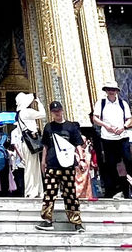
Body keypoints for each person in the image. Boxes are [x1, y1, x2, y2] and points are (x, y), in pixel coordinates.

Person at [36, 100, 86, 233]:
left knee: (70, 193)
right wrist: (43, 161)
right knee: (49, 193)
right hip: (52, 164)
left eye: (58, 111)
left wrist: (81, 159)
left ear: (62, 110)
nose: (57, 113)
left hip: (67, 165)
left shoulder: (70, 127)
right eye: (54, 112)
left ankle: (76, 221)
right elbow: (46, 146)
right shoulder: (48, 127)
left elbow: (78, 144)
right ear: (51, 113)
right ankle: (47, 220)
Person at [92, 80, 132, 199]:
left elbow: (129, 119)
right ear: (106, 91)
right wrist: (106, 126)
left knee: (128, 162)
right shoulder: (101, 103)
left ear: (117, 91)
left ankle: (130, 188)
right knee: (110, 165)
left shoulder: (122, 103)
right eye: (109, 89)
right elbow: (95, 118)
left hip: (122, 136)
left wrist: (123, 127)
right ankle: (115, 189)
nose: (111, 91)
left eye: (113, 89)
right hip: (108, 137)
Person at [14, 91, 45, 198]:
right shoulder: (26, 112)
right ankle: (31, 190)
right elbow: (43, 114)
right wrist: (39, 102)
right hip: (30, 143)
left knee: (32, 166)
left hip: (25, 143)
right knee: (32, 166)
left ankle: (37, 190)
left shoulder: (19, 115)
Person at [9, 123, 25, 196]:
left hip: (24, 157)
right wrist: (21, 156)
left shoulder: (25, 131)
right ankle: (20, 192)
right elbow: (14, 145)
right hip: (19, 159)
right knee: (20, 176)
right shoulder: (14, 132)